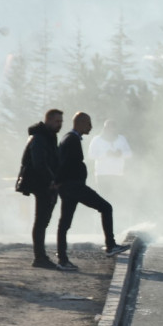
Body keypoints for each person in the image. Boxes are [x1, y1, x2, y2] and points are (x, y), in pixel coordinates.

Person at [55, 112, 130, 270]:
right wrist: (62, 181)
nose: (90, 127)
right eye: (88, 124)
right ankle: (110, 245)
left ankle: (62, 259)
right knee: (105, 207)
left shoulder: (69, 138)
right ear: (80, 123)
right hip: (74, 186)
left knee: (65, 222)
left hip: (69, 186)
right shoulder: (72, 139)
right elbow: (65, 163)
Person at [16, 108, 64, 269]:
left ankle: (41, 255)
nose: (60, 124)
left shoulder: (48, 137)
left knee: (43, 221)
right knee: (41, 221)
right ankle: (39, 256)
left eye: (61, 121)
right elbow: (39, 163)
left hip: (47, 184)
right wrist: (51, 180)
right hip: (42, 185)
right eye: (57, 121)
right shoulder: (39, 138)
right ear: (48, 120)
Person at [87, 119, 133, 197]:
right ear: (104, 128)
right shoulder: (97, 139)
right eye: (108, 128)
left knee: (117, 198)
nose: (110, 130)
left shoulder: (121, 139)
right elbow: (91, 155)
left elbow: (129, 154)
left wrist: (120, 154)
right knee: (104, 198)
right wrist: (105, 154)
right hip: (102, 174)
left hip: (117, 174)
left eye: (113, 128)